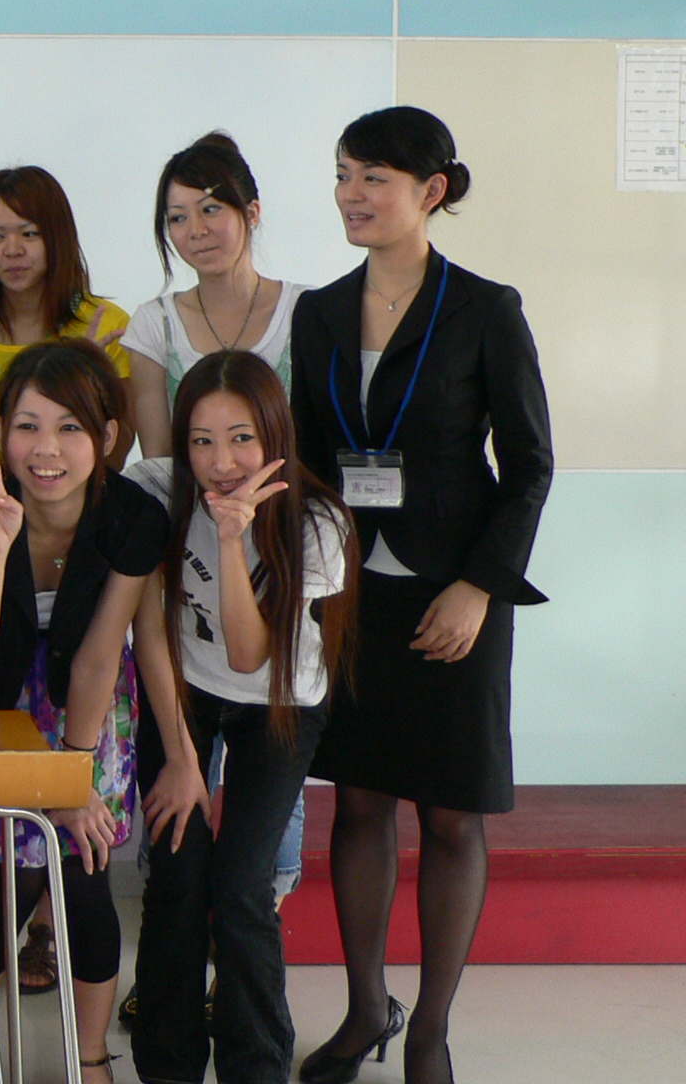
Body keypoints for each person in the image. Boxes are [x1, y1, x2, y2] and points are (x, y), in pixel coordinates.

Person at [289, 107, 551, 1084]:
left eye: (376, 178)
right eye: (344, 173)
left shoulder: (484, 307)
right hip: (353, 597)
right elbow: (311, 459)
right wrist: (312, 585)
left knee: (448, 815)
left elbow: (529, 463)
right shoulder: (318, 310)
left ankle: (431, 1026)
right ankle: (365, 1010)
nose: (353, 193)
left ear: (431, 190)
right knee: (357, 803)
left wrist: (480, 586)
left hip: (455, 598)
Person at [0, 340, 165, 1084]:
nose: (46, 450)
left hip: (89, 710)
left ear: (107, 437)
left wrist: (70, 784)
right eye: (27, 426)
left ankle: (92, 1056)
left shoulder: (133, 515)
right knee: (6, 886)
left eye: (71, 428)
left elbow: (98, 657)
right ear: (1, 432)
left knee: (84, 872)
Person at [128, 352, 357, 1084]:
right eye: (200, 440)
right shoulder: (161, 492)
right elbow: (151, 628)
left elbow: (252, 652)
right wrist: (181, 758)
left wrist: (231, 537)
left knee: (240, 886)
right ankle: (166, 1065)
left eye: (241, 438)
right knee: (175, 872)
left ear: (275, 434)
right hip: (185, 695)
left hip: (280, 703)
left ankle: (255, 1066)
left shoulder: (317, 523)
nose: (220, 461)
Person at [0, 166, 133, 494]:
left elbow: (118, 448)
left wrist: (87, 375)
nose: (13, 250)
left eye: (29, 234)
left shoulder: (107, 323)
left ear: (58, 237)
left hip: (65, 511)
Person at [125, 133, 309, 458]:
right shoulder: (154, 324)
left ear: (252, 213)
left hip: (290, 504)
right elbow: (159, 463)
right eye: (178, 217)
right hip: (191, 508)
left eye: (210, 209)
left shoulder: (306, 310)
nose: (196, 230)